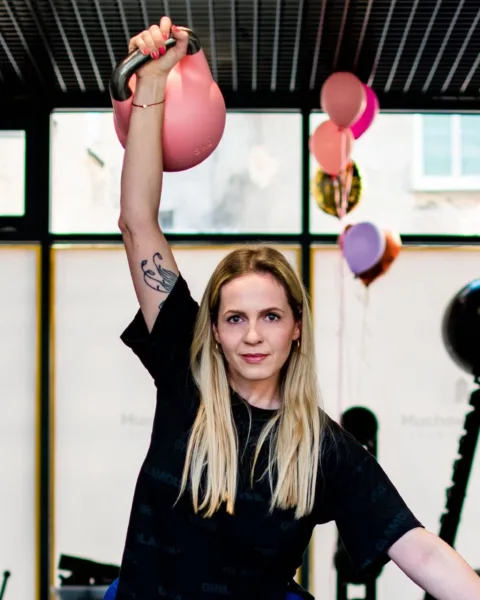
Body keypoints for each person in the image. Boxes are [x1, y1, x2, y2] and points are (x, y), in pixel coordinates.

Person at [115, 15, 480, 600]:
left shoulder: (324, 448)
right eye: (235, 318)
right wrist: (153, 84)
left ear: (297, 330)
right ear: (213, 331)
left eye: (270, 317)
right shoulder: (186, 369)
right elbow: (138, 221)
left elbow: (419, 549)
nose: (252, 335)